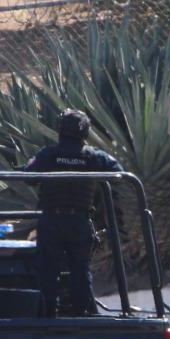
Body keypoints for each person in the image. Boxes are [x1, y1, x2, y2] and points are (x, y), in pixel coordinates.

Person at [24, 109, 122, 318]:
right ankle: (81, 316)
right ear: (85, 133)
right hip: (79, 222)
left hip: (52, 221)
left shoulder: (49, 155)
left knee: (48, 270)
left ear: (61, 130)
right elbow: (118, 173)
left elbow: (28, 178)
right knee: (80, 270)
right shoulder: (93, 157)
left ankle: (48, 316)